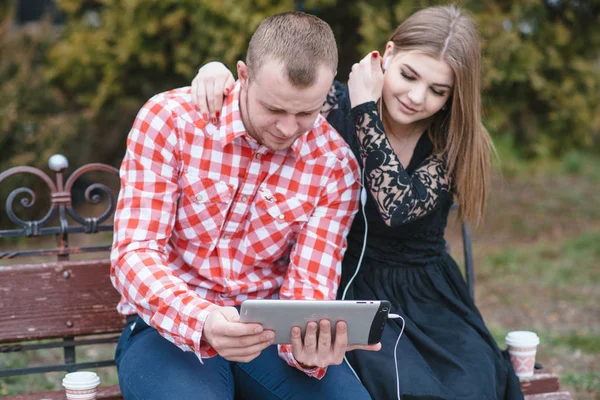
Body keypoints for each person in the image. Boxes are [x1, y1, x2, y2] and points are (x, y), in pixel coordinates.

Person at [191, 5, 525, 400]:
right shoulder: (328, 103)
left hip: (426, 292)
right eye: (408, 75)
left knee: (471, 383)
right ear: (387, 55)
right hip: (348, 284)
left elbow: (394, 207)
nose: (417, 97)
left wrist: (366, 107)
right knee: (393, 383)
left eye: (438, 91)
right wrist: (213, 69)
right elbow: (266, 92)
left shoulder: (452, 140)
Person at [110, 11, 381, 400]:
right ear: (244, 75)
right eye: (274, 108)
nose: (287, 128)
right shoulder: (170, 120)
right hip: (167, 329)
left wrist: (309, 351)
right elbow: (134, 252)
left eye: (306, 112)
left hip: (268, 335)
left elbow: (309, 286)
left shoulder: (335, 166)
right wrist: (203, 319)